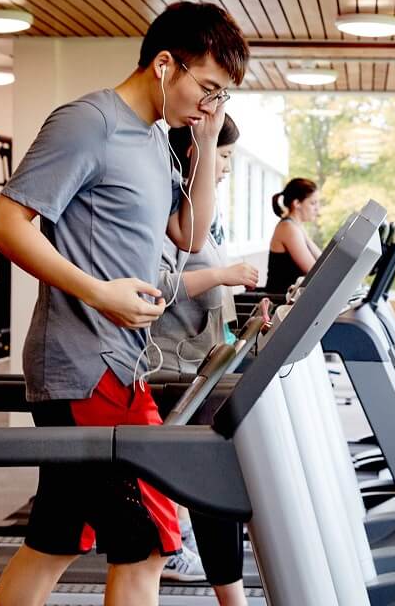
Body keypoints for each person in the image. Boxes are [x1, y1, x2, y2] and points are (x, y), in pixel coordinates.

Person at [0, 1, 249, 606]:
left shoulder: (158, 138)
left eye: (221, 97)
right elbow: (4, 223)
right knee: (150, 541)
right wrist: (99, 292)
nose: (210, 105)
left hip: (119, 362)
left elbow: (191, 235)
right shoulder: (89, 122)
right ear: (163, 65)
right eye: (207, 89)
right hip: (87, 364)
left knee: (56, 539)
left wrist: (206, 141)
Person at [149, 114, 254, 606]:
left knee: (218, 476)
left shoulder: (202, 216)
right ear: (195, 152)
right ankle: (182, 556)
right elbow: (158, 288)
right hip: (171, 367)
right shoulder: (169, 206)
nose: (227, 165)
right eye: (224, 154)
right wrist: (223, 276)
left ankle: (197, 560)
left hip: (201, 362)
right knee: (213, 476)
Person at [264, 177, 320, 295]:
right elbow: (314, 271)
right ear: (297, 203)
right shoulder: (288, 228)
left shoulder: (297, 226)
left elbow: (321, 260)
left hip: (292, 299)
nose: (317, 208)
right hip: (280, 303)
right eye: (313, 203)